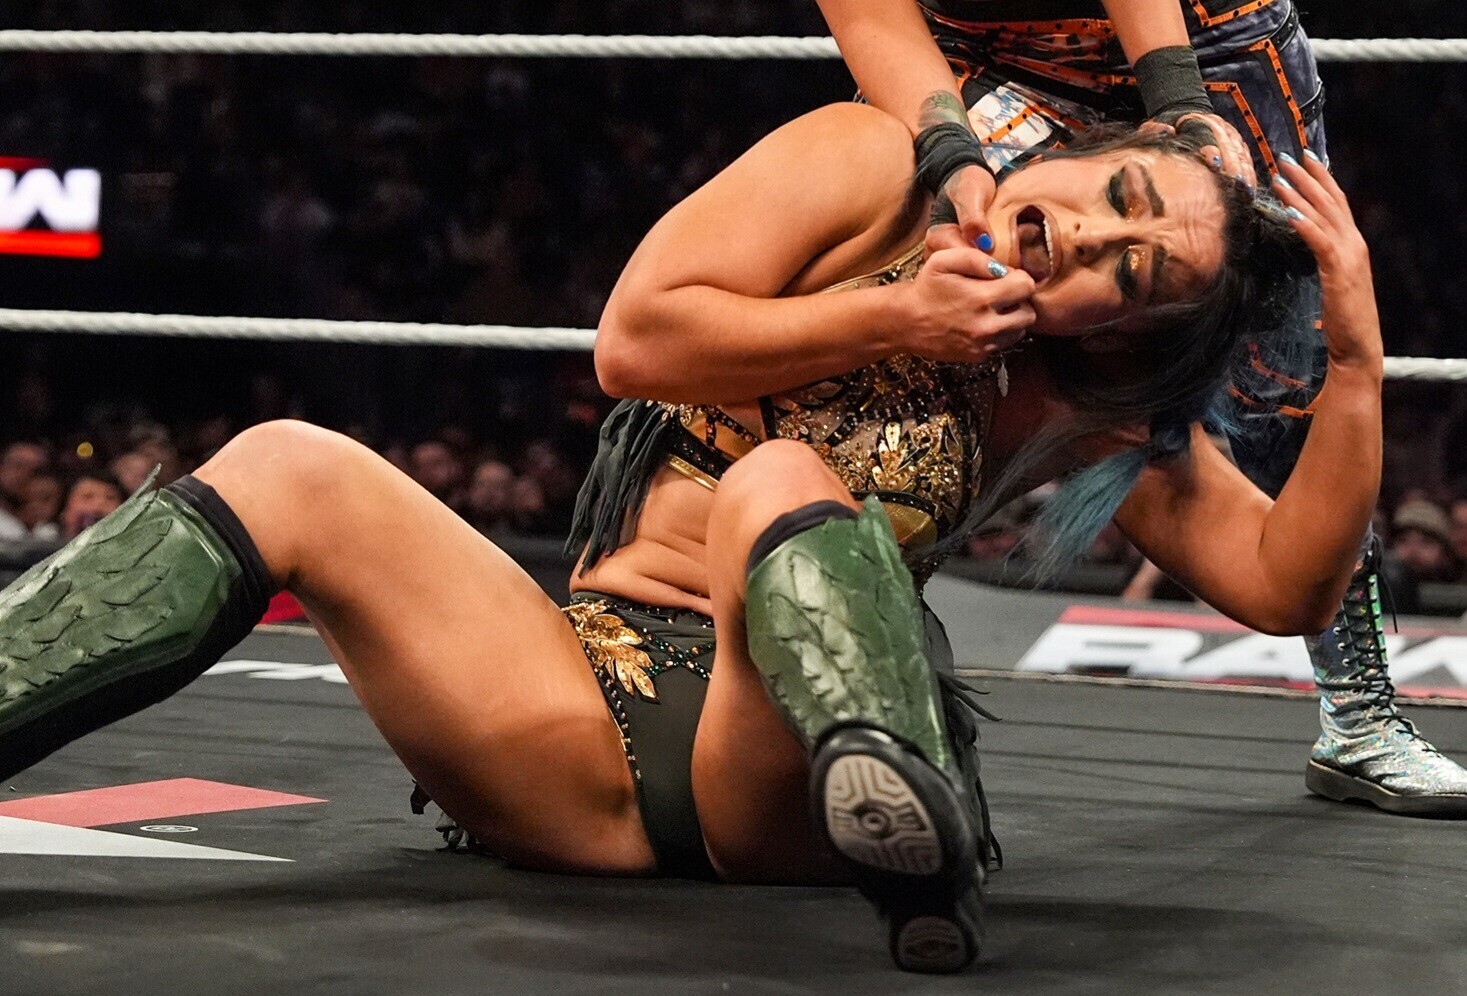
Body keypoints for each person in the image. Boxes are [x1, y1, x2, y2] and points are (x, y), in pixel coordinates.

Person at [0, 108, 1383, 974]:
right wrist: (892, 316)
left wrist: (1360, 363)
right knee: (289, 463)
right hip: (572, 709)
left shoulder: (1065, 410)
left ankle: (907, 828)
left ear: (1120, 332)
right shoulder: (862, 167)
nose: (1082, 241)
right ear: (1069, 154)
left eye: (1128, 273)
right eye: (1113, 196)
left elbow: (1283, 585)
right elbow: (636, 341)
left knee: (774, 475)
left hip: (771, 760)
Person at [814, 0, 1467, 814]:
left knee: (1274, 380)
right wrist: (950, 150)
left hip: (1197, 34)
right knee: (910, 239)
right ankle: (840, 596)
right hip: (978, 44)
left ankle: (1361, 716)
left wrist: (1177, 96)